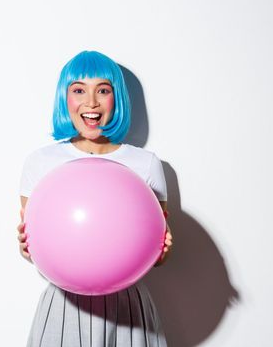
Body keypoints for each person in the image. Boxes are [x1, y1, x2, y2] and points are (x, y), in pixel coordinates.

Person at [17, 50, 173, 347]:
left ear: (118, 98)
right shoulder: (40, 162)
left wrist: (163, 250)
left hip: (128, 306)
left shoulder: (146, 164)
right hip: (64, 304)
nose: (91, 103)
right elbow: (35, 250)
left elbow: (158, 254)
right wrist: (25, 248)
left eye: (103, 90)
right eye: (79, 90)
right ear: (65, 99)